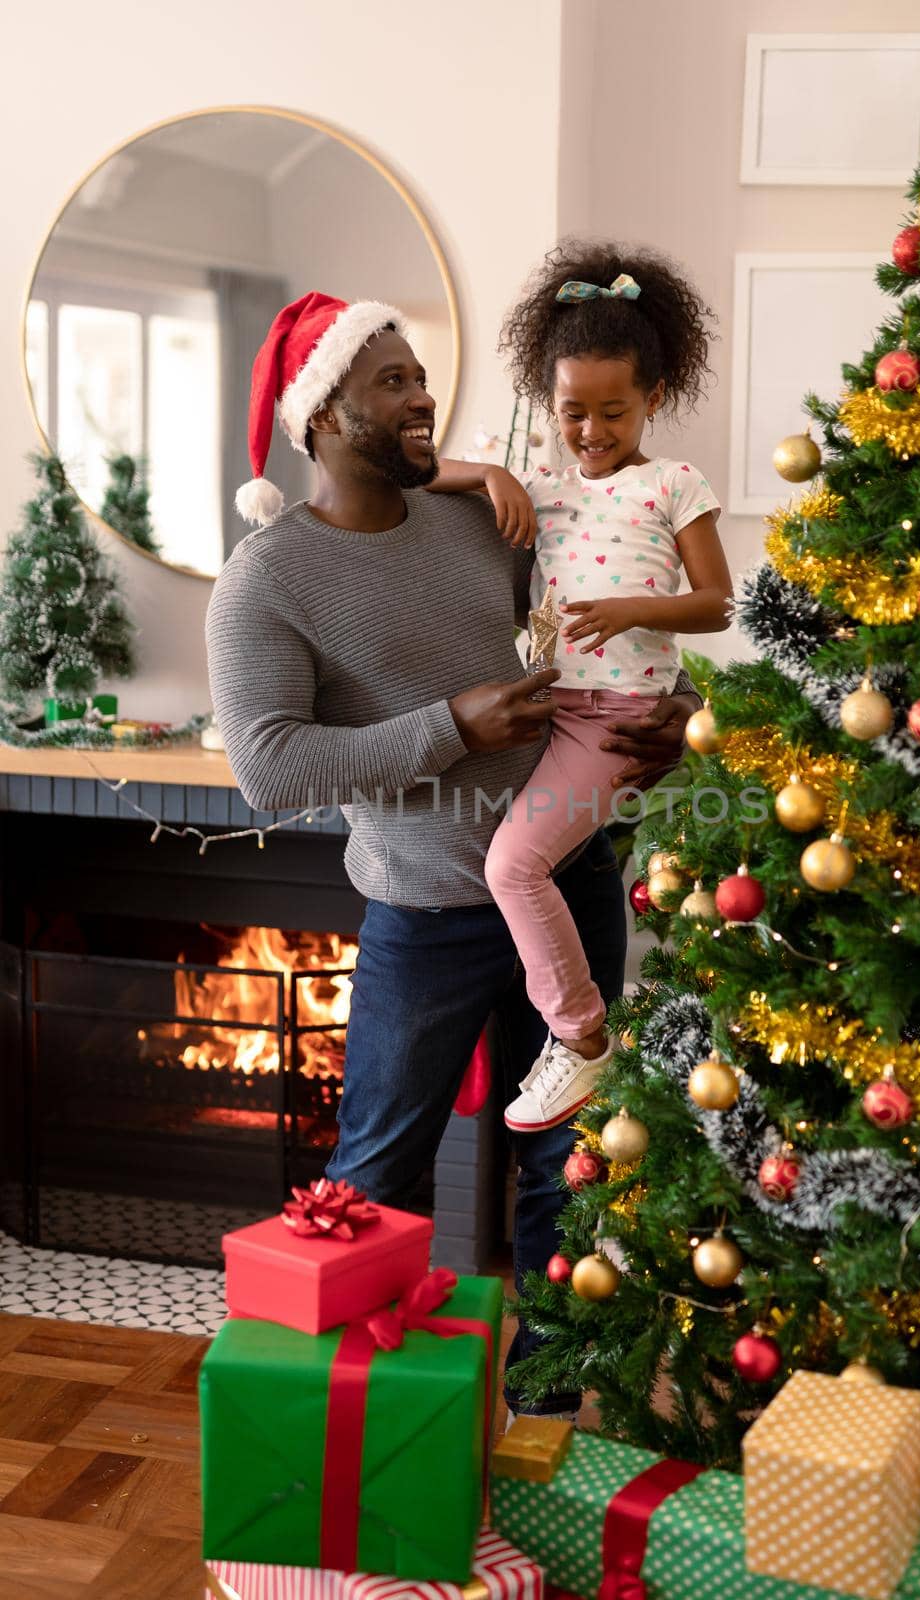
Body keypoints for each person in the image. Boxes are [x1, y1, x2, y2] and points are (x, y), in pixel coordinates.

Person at [205, 289, 703, 1417]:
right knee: (375, 1177)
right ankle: (345, 1447)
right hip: (425, 914)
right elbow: (271, 768)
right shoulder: (268, 579)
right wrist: (453, 727)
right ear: (322, 413)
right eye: (391, 380)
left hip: (568, 887)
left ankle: (545, 1431)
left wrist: (672, 725)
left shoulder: (482, 520)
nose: (422, 393)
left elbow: (604, 634)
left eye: (419, 373)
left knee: (564, 1175)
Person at [431, 241, 732, 1134]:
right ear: (549, 405)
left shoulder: (673, 484)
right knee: (520, 865)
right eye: (572, 413)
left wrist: (630, 608)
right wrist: (489, 472)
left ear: (653, 400)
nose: (592, 430)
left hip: (619, 720)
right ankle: (566, 1033)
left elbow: (716, 605)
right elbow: (422, 475)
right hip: (550, 713)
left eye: (613, 411)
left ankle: (583, 1040)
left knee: (512, 865)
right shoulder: (543, 490)